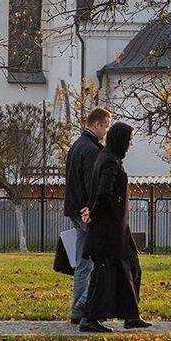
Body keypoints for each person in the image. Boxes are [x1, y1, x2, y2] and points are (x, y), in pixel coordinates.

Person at [78, 121, 149, 332]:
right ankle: (88, 318)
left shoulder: (109, 158)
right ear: (121, 139)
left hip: (116, 229)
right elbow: (103, 193)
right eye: (129, 140)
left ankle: (131, 315)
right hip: (108, 230)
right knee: (104, 276)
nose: (130, 144)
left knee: (131, 268)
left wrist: (93, 211)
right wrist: (95, 214)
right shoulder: (110, 161)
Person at [63, 107, 110, 324]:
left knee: (83, 264)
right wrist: (91, 209)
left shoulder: (75, 146)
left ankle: (76, 311)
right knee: (100, 263)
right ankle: (83, 305)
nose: (107, 131)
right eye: (106, 126)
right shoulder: (91, 149)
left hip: (73, 209)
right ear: (97, 124)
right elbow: (92, 183)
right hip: (85, 212)